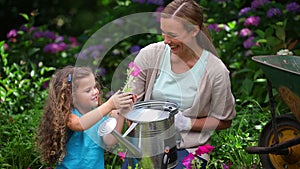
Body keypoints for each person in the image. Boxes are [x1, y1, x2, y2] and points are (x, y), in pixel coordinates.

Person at [123, 0, 236, 168]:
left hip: (188, 149)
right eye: (163, 33)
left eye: (173, 34)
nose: (167, 40)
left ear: (194, 31)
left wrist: (187, 123)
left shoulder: (215, 70)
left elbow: (224, 121)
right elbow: (128, 103)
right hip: (146, 146)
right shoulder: (149, 55)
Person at [36, 65, 135, 169]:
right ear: (71, 95)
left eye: (95, 87)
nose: (95, 92)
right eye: (88, 90)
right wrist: (109, 105)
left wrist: (120, 113)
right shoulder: (69, 116)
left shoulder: (98, 115)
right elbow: (79, 124)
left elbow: (109, 140)